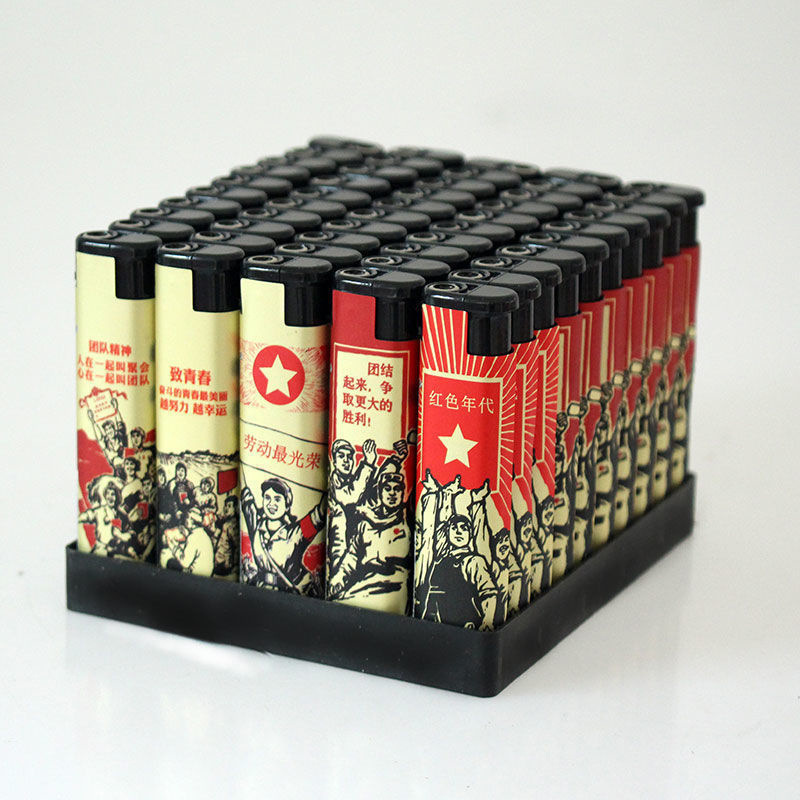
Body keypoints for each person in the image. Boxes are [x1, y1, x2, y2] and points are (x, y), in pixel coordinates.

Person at [327, 470, 410, 612]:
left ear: (402, 493)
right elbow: (351, 558)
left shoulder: (407, 524)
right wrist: (337, 582)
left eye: (397, 489)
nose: (392, 493)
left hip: (394, 589)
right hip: (364, 585)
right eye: (387, 488)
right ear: (380, 492)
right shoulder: (365, 525)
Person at [241, 477, 326, 595]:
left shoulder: (296, 533)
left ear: (287, 505)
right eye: (267, 498)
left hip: (290, 595)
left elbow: (317, 517)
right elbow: (247, 501)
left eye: (277, 499)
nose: (271, 504)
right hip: (260, 592)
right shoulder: (256, 527)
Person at [422, 514, 500, 630]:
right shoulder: (440, 563)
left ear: (471, 534)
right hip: (441, 630)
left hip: (470, 627)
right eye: (454, 528)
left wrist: (487, 622)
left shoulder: (474, 561)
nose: (458, 532)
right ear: (448, 532)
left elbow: (488, 594)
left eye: (464, 528)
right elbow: (433, 598)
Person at [326, 438, 377, 577]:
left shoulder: (353, 479)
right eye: (341, 456)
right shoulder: (334, 481)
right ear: (334, 461)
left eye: (349, 457)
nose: (346, 460)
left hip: (357, 543)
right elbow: (350, 496)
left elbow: (373, 490)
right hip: (339, 544)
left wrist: (396, 460)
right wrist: (368, 463)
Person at [78, 480, 134, 558]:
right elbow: (88, 515)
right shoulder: (100, 511)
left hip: (118, 552)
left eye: (112, 494)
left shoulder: (122, 515)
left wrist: (123, 536)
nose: (110, 497)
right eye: (107, 494)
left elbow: (130, 531)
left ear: (117, 496)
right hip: (101, 552)